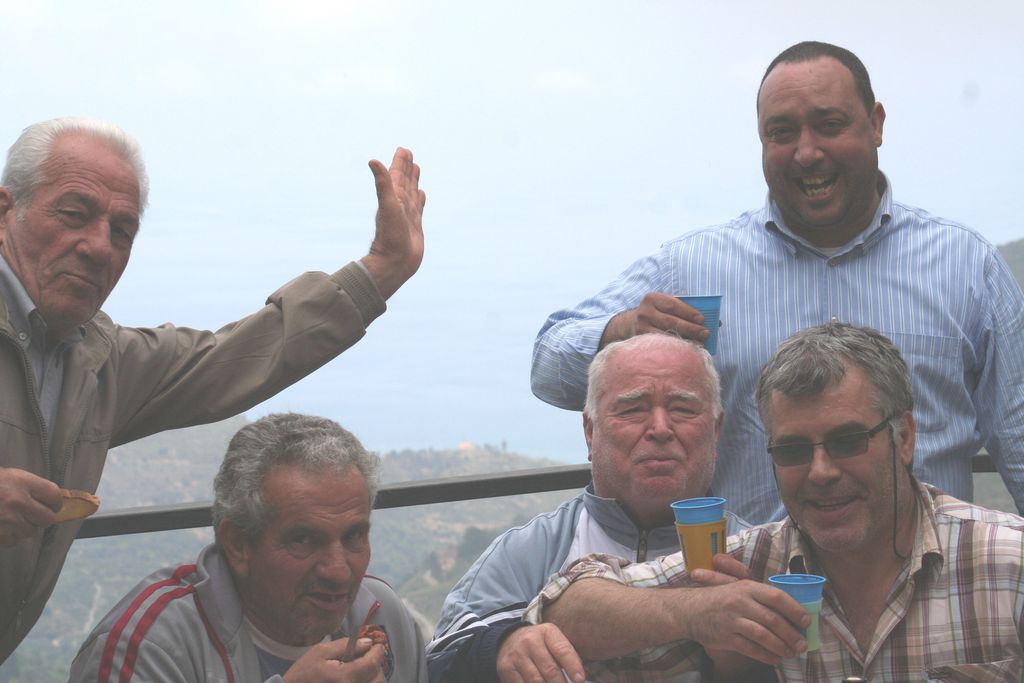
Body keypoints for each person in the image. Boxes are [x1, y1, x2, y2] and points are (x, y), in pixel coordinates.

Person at [530, 40, 1024, 525]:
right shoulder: (694, 267)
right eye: (782, 132)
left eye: (829, 125)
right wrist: (624, 332)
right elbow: (549, 366)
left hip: (930, 574)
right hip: (749, 576)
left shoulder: (964, 266)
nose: (807, 153)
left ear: (876, 124)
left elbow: (1018, 436)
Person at [0, 117, 426, 662]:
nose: (99, 246)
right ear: (6, 211)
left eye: (122, 230)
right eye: (74, 214)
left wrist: (383, 269)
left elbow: (237, 356)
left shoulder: (95, 361)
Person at [525, 323, 1024, 682]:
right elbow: (564, 604)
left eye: (847, 442)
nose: (821, 471)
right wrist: (695, 612)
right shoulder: (752, 566)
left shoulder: (1005, 563)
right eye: (793, 450)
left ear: (905, 437)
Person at [427, 333, 748, 683]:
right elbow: (438, 661)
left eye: (683, 409)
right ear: (590, 432)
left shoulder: (753, 553)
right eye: (633, 409)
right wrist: (502, 647)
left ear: (716, 429)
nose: (660, 428)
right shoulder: (530, 551)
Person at [69, 412, 427, 682]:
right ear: (239, 543)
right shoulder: (149, 646)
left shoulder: (382, 615)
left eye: (353, 537)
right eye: (303, 540)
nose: (338, 571)